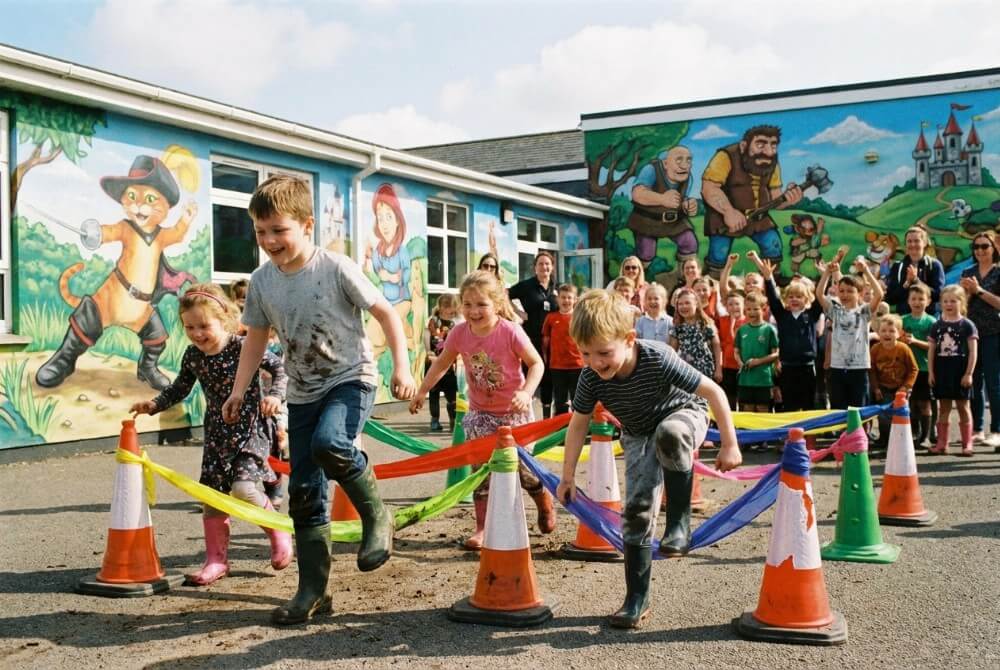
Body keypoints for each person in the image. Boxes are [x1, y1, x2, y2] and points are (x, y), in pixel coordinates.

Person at [223, 175, 417, 626]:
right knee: (305, 493)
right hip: (303, 391)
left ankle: (378, 515)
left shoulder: (335, 268)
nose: (269, 240)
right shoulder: (261, 282)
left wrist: (403, 369)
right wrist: (239, 390)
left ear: (307, 225)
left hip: (351, 379)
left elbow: (386, 312)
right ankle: (313, 592)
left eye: (279, 230)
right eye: (261, 232)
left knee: (331, 443)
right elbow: (255, 339)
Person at [555, 290, 741, 628]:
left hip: (685, 414)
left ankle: (679, 524)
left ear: (629, 339)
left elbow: (714, 392)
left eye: (603, 352)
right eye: (585, 354)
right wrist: (567, 478)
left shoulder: (657, 357)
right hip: (638, 433)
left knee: (669, 434)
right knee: (636, 511)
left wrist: (730, 443)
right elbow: (577, 425)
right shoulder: (590, 378)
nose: (595, 362)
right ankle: (636, 599)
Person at [130, 284, 291, 586]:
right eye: (190, 327)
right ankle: (216, 560)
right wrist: (153, 405)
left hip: (251, 428)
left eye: (204, 326)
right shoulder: (194, 356)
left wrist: (275, 396)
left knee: (244, 488)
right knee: (212, 497)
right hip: (217, 434)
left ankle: (277, 528)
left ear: (225, 319)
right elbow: (180, 387)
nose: (197, 333)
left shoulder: (244, 345)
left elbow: (280, 370)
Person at [410, 270, 556, 549]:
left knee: (525, 474)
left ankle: (543, 502)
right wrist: (422, 391)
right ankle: (481, 527)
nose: (473, 311)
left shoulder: (510, 331)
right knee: (482, 473)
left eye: (481, 305)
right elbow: (441, 364)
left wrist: (526, 393)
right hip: (481, 415)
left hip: (515, 415)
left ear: (497, 304)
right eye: (467, 304)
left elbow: (536, 364)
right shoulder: (459, 333)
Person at [700, 125, 803, 282]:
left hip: (758, 216)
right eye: (761, 144)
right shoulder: (725, 156)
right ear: (744, 146)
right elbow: (709, 187)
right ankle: (713, 283)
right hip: (723, 216)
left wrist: (788, 200)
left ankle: (772, 282)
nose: (768, 151)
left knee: (772, 244)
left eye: (773, 145)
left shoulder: (772, 163)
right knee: (719, 252)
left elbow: (775, 198)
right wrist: (729, 212)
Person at [752, 251, 823, 420]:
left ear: (806, 299)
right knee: (789, 403)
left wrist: (824, 276)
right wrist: (768, 278)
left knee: (808, 404)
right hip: (788, 366)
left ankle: (808, 439)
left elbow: (820, 298)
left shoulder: (811, 315)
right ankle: (789, 438)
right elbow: (773, 298)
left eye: (799, 297)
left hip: (807, 365)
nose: (794, 299)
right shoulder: (782, 315)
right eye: (791, 296)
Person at [816, 247, 883, 410]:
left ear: (859, 293)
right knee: (839, 405)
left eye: (850, 291)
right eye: (842, 291)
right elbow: (819, 294)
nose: (845, 294)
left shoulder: (864, 311)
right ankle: (842, 434)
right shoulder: (835, 309)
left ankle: (858, 434)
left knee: (857, 406)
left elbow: (879, 294)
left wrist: (866, 270)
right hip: (837, 366)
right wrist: (827, 273)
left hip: (858, 367)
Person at [628, 146, 699, 273]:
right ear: (666, 163)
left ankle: (684, 277)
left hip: (674, 221)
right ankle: (638, 280)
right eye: (679, 160)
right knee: (646, 252)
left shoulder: (687, 178)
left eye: (688, 160)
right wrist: (662, 199)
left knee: (689, 242)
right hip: (647, 220)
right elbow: (637, 193)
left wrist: (688, 205)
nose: (685, 165)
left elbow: (683, 199)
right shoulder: (651, 170)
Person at [959, 232, 1000, 446]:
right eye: (976, 247)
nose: (980, 251)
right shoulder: (968, 272)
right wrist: (966, 293)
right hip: (971, 334)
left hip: (994, 331)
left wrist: (979, 290)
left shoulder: (999, 272)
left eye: (985, 246)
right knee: (973, 381)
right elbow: (961, 304)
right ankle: (977, 428)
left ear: (993, 248)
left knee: (994, 383)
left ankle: (997, 429)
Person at [928, 285, 978, 456]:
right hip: (942, 372)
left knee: (964, 407)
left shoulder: (967, 325)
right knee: (944, 408)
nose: (949, 304)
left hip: (961, 372)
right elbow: (931, 350)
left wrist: (969, 373)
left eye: (953, 301)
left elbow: (973, 351)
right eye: (945, 301)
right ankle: (942, 444)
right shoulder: (937, 326)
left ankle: (967, 444)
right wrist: (931, 372)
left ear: (961, 302)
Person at [508, 251, 557, 418]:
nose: (544, 267)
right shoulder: (526, 286)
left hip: (553, 340)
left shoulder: (557, 286)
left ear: (552, 267)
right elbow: (504, 295)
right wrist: (518, 312)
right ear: (535, 268)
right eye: (540, 264)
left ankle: (547, 417)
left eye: (547, 264)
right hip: (531, 337)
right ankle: (522, 413)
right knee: (528, 374)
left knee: (549, 377)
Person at [734, 292, 779, 448]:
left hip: (763, 378)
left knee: (762, 408)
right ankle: (747, 440)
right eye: (748, 309)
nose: (751, 313)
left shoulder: (769, 330)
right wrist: (740, 362)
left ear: (764, 309)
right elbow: (736, 350)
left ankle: (762, 440)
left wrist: (759, 361)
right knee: (747, 408)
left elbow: (776, 353)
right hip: (745, 378)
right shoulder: (742, 330)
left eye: (755, 309)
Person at [869, 314, 918, 450]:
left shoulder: (903, 349)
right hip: (883, 388)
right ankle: (884, 440)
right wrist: (876, 388)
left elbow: (914, 369)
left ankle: (900, 441)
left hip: (899, 389)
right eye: (883, 331)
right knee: (883, 416)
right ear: (878, 333)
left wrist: (906, 387)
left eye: (891, 331)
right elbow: (871, 371)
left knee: (900, 416)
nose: (887, 334)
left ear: (899, 333)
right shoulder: (875, 349)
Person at [901, 283, 937, 447]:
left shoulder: (931, 321)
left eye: (921, 299)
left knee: (925, 403)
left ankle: (925, 436)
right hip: (906, 370)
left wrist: (915, 341)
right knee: (910, 402)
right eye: (913, 299)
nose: (917, 302)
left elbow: (934, 346)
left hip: (923, 368)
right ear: (908, 301)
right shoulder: (903, 320)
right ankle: (913, 434)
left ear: (928, 301)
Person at [543, 283, 584, 416]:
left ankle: (578, 429)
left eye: (569, 298)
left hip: (577, 365)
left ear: (575, 300)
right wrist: (545, 358)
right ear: (558, 299)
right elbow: (545, 341)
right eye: (563, 297)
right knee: (560, 401)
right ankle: (561, 430)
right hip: (557, 366)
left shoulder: (579, 318)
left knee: (578, 399)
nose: (566, 300)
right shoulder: (551, 318)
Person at [885, 226, 945, 315]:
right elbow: (890, 298)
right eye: (909, 241)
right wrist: (907, 284)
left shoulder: (935, 265)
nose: (913, 244)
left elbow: (938, 295)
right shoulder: (897, 267)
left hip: (928, 320)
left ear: (924, 243)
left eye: (916, 241)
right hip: (903, 320)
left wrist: (916, 281)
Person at [669, 287, 722, 383]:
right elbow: (672, 352)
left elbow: (717, 347)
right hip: (685, 372)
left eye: (687, 303)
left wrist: (719, 369)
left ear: (696, 304)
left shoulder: (706, 324)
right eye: (680, 304)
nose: (683, 306)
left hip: (705, 370)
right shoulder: (677, 328)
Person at [424, 293, 460, 432]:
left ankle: (453, 419)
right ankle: (434, 419)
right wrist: (428, 351)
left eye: (454, 309)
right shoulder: (433, 321)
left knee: (452, 392)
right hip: (433, 361)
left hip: (448, 363)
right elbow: (427, 336)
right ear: (442, 307)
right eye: (451, 308)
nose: (453, 312)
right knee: (434, 392)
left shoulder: (453, 324)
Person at [716, 289, 747, 409]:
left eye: (737, 304)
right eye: (730, 304)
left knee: (744, 399)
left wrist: (734, 325)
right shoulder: (722, 321)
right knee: (729, 399)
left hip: (744, 366)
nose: (734, 307)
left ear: (743, 305)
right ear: (726, 307)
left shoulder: (748, 321)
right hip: (727, 367)